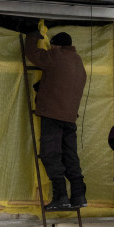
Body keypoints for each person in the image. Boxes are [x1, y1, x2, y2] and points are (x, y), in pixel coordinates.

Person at [23, 29, 87, 212]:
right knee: (70, 155)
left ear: (57, 45)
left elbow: (33, 54)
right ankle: (78, 195)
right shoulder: (78, 61)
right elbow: (62, 84)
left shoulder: (56, 55)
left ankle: (60, 196)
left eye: (52, 46)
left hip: (52, 115)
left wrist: (32, 36)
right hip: (70, 117)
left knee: (50, 153)